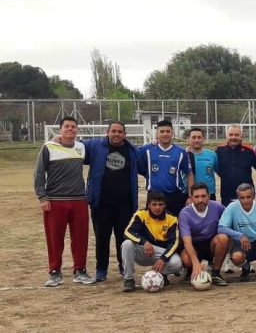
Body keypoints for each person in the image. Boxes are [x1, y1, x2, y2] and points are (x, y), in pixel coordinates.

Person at [34, 117, 96, 286]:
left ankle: (80, 270)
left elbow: (102, 145)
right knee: (55, 238)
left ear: (77, 130)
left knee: (81, 238)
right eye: (67, 127)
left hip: (78, 200)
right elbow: (39, 173)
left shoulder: (81, 147)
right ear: (60, 129)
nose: (70, 129)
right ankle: (55, 272)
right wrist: (42, 196)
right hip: (55, 200)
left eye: (73, 127)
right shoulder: (49, 147)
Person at [82, 121, 140, 282]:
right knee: (102, 238)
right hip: (101, 203)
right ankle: (101, 270)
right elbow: (74, 145)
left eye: (120, 132)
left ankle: (124, 268)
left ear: (125, 134)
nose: (116, 134)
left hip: (125, 204)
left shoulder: (133, 150)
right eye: (113, 131)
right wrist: (59, 139)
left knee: (124, 238)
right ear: (107, 132)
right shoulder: (95, 146)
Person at [121, 190, 182, 292]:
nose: (157, 207)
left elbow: (175, 242)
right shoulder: (141, 214)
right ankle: (129, 279)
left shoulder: (172, 218)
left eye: (160, 204)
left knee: (177, 263)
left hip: (160, 252)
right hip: (144, 251)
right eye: (154, 204)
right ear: (149, 205)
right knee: (127, 244)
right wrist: (144, 242)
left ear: (164, 205)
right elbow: (127, 232)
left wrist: (163, 259)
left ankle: (159, 274)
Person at [138, 120, 193, 216]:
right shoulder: (146, 149)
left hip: (174, 196)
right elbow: (140, 167)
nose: (165, 134)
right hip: (153, 196)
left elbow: (189, 174)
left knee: (174, 226)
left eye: (168, 131)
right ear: (157, 133)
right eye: (162, 131)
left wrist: (190, 196)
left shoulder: (181, 152)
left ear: (172, 133)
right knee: (152, 228)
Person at [178, 183, 229, 286]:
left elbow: (229, 223)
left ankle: (216, 273)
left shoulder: (218, 207)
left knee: (223, 238)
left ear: (209, 196)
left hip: (211, 243)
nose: (200, 200)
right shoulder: (184, 214)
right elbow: (187, 241)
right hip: (193, 244)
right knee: (187, 260)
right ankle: (190, 270)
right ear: (191, 198)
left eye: (203, 196)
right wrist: (196, 263)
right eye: (196, 197)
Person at [215, 124, 256, 206]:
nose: (233, 137)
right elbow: (215, 169)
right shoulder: (219, 151)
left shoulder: (249, 151)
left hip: (246, 194)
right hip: (226, 194)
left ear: (241, 136)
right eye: (231, 135)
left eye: (236, 135)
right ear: (226, 136)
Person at [187, 127, 220, 201]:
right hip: (190, 196)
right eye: (194, 137)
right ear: (188, 139)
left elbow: (219, 172)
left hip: (209, 195)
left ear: (203, 139)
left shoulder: (212, 155)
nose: (197, 140)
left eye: (199, 137)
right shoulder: (184, 155)